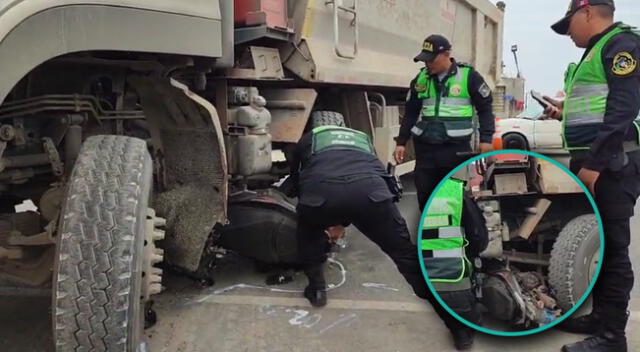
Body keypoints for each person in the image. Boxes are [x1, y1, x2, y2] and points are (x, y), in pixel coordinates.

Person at [282, 116, 478, 350]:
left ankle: (317, 290)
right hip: (372, 197)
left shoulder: (308, 139)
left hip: (322, 196)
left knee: (308, 233)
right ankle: (459, 329)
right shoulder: (361, 139)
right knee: (408, 258)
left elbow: (295, 181)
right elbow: (375, 174)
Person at [546, 1, 640, 351]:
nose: (568, 33)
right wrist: (561, 113)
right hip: (596, 161)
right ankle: (600, 318)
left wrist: (595, 165)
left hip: (611, 165)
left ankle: (613, 338)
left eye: (569, 24)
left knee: (614, 250)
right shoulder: (596, 51)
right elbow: (597, 107)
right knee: (601, 243)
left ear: (586, 12)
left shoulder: (621, 46)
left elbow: (623, 110)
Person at [394, 34, 496, 211]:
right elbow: (411, 113)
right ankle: (429, 237)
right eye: (424, 60)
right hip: (426, 150)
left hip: (455, 150)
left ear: (446, 55)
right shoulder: (421, 79)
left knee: (452, 199)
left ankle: (452, 236)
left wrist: (486, 140)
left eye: (431, 60)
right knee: (426, 198)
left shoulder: (468, 76)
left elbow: (485, 109)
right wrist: (401, 142)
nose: (427, 64)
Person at [421, 171, 488, 347]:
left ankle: (459, 331)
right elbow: (479, 239)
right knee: (471, 319)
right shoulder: (455, 191)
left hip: (424, 283)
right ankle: (462, 332)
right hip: (453, 280)